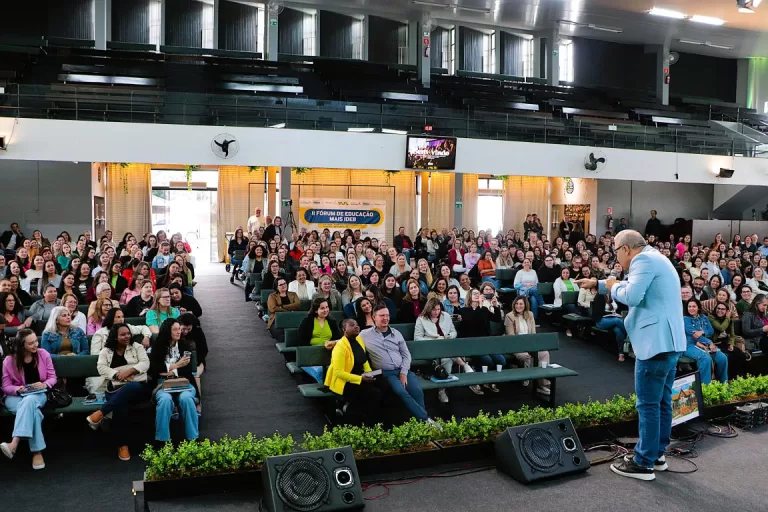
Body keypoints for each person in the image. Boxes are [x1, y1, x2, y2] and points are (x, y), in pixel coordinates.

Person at [576, 229, 685, 481]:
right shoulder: (656, 257)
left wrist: (612, 287)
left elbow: (632, 295)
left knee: (647, 404)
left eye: (615, 251)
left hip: (655, 344)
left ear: (625, 249)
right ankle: (656, 455)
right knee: (662, 402)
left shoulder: (642, 260)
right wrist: (600, 283)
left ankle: (643, 463)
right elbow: (634, 286)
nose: (616, 257)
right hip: (669, 342)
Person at [85, 323, 151, 461]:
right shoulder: (106, 351)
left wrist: (130, 371)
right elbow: (101, 368)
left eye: (128, 333)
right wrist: (116, 374)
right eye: (122, 334)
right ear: (115, 337)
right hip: (115, 387)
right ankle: (123, 445)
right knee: (121, 402)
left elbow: (145, 363)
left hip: (138, 388)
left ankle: (101, 413)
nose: (126, 336)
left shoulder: (137, 347)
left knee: (131, 388)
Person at [361, 304, 435, 424]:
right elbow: (348, 340)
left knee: (417, 391)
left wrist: (404, 373)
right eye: (382, 316)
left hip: (403, 370)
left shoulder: (396, 333)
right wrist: (332, 343)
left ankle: (420, 422)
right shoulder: (365, 335)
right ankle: (425, 419)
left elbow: (406, 355)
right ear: (374, 317)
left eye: (387, 315)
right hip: (386, 373)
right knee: (401, 392)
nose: (385, 318)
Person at [1, 329, 56, 470]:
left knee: (30, 400)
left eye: (36, 341)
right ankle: (37, 452)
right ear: (21, 345)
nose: (35, 345)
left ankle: (14, 443)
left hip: (39, 394)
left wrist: (44, 384)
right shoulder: (9, 360)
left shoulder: (43, 354)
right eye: (31, 343)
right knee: (34, 413)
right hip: (15, 397)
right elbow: (6, 386)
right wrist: (18, 389)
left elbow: (52, 377)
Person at [148, 318, 199, 443]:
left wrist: (169, 370)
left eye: (179, 329)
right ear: (167, 331)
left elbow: (186, 370)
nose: (179, 332)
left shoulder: (185, 346)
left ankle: (193, 439)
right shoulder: (157, 347)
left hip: (183, 382)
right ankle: (162, 440)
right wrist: (176, 365)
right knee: (165, 400)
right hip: (162, 384)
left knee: (186, 398)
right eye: (175, 329)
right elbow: (154, 370)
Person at [325, 318, 382, 425]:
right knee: (374, 393)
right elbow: (338, 373)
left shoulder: (359, 340)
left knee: (384, 384)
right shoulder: (340, 347)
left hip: (361, 377)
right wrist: (360, 379)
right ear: (344, 330)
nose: (356, 326)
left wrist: (369, 373)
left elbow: (364, 360)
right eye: (352, 325)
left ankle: (377, 417)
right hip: (344, 382)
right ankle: (368, 421)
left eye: (357, 324)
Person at [414, 298, 467, 403]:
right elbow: (417, 338)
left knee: (446, 357)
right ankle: (464, 364)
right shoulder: (421, 319)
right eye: (434, 310)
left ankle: (441, 390)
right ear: (428, 309)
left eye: (438, 309)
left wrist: (449, 336)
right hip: (430, 348)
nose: (436, 312)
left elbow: (454, 332)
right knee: (447, 352)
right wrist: (434, 339)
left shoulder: (446, 316)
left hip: (445, 346)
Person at [504, 296, 551, 395]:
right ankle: (526, 377)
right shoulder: (509, 316)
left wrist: (531, 345)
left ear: (525, 305)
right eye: (516, 304)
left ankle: (541, 384)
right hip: (515, 345)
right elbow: (511, 336)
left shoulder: (530, 314)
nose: (518, 306)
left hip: (529, 344)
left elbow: (533, 333)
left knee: (544, 354)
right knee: (525, 356)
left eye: (521, 304)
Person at [683, 298, 728, 385]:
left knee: (722, 357)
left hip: (705, 344)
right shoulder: (686, 319)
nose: (691, 308)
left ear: (698, 308)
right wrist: (709, 343)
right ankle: (705, 388)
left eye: (694, 306)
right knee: (705, 359)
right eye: (689, 306)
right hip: (690, 345)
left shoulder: (704, 317)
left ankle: (723, 385)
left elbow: (711, 331)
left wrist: (703, 332)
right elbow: (695, 336)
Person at [708, 302, 747, 379]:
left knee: (740, 354)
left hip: (725, 342)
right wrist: (727, 318)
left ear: (726, 311)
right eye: (718, 308)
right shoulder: (711, 318)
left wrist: (731, 344)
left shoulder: (729, 320)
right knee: (729, 357)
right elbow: (721, 328)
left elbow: (732, 335)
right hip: (715, 343)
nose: (720, 310)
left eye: (723, 309)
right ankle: (729, 378)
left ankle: (740, 376)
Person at [591, 292, 629, 362]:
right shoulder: (600, 296)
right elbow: (597, 312)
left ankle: (621, 353)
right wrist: (610, 314)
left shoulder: (613, 295)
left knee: (618, 330)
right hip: (601, 320)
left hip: (613, 318)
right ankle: (630, 337)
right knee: (617, 321)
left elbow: (619, 307)